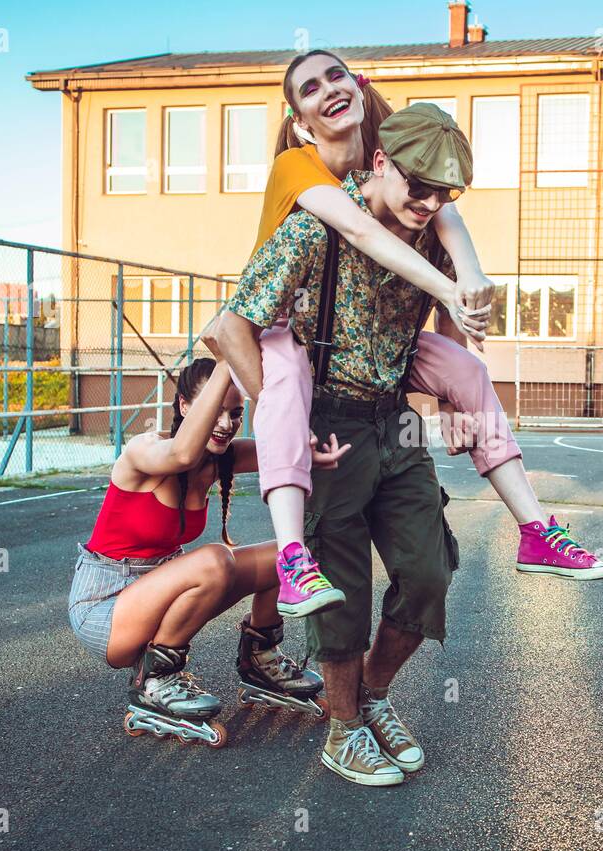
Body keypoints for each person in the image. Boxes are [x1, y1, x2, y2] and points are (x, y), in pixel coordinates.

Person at [203, 51, 603, 625]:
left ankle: (535, 529)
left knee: (465, 370)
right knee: (286, 383)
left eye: (337, 76)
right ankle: (292, 557)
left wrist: (452, 392)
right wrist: (450, 289)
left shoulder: (406, 174)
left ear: (360, 85)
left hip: (377, 352)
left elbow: (442, 212)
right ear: (300, 119)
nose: (428, 203)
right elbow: (353, 228)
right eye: (310, 88)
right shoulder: (303, 178)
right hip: (286, 327)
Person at [213, 105, 489, 785]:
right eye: (418, 186)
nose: (430, 204)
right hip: (328, 418)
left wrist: (454, 401)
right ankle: (341, 729)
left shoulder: (436, 243)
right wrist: (286, 409)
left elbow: (458, 319)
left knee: (429, 571)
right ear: (379, 164)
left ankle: (369, 694)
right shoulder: (314, 230)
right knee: (338, 585)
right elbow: (229, 327)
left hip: (395, 419)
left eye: (444, 194)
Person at [66, 357, 346, 746]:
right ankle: (157, 678)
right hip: (106, 606)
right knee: (215, 560)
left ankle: (260, 656)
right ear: (183, 406)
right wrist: (231, 354)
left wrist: (311, 453)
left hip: (157, 590)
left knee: (288, 552)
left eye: (235, 413)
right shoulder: (145, 451)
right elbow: (182, 454)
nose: (226, 424)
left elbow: (280, 448)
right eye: (213, 411)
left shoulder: (222, 458)